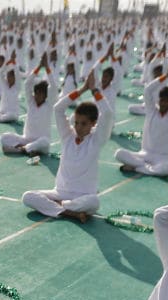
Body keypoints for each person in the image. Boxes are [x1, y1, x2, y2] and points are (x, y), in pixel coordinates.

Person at [21, 70, 115, 223]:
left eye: (84, 124)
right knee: (28, 196)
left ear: (93, 124)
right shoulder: (67, 137)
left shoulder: (96, 140)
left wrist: (94, 90)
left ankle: (60, 208)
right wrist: (82, 89)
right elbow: (58, 108)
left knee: (94, 202)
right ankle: (70, 212)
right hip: (60, 193)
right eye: (76, 122)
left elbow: (108, 114)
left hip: (83, 196)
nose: (78, 127)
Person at [116, 59, 168, 176]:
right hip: (144, 154)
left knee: (167, 169)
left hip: (162, 158)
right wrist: (165, 76)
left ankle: (137, 168)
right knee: (119, 153)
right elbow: (148, 90)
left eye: (167, 100)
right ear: (158, 99)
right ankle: (146, 168)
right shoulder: (151, 111)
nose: (163, 103)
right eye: (162, 100)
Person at [0, 54, 53, 155]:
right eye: (36, 93)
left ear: (46, 95)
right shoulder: (31, 102)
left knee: (45, 141)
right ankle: (27, 149)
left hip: (40, 144)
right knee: (4, 137)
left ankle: (22, 149)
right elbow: (27, 83)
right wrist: (39, 67)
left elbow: (53, 86)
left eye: (40, 94)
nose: (37, 96)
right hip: (26, 139)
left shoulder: (48, 105)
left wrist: (47, 68)